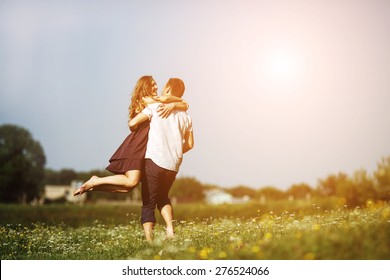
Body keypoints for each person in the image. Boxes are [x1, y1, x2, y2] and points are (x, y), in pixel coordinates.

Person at [74, 76, 188, 196]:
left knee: (128, 187)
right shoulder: (147, 99)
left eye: (156, 84)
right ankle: (96, 180)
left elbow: (178, 103)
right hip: (138, 144)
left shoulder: (154, 101)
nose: (156, 86)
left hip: (145, 147)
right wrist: (179, 103)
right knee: (131, 181)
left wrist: (176, 104)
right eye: (152, 84)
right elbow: (175, 102)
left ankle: (94, 185)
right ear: (145, 87)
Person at [129, 78, 194, 242]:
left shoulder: (155, 106)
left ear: (167, 89)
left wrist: (135, 128)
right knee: (163, 197)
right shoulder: (186, 117)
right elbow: (191, 144)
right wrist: (177, 150)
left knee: (148, 202)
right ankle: (170, 230)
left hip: (154, 160)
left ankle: (150, 243)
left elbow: (133, 122)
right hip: (173, 164)